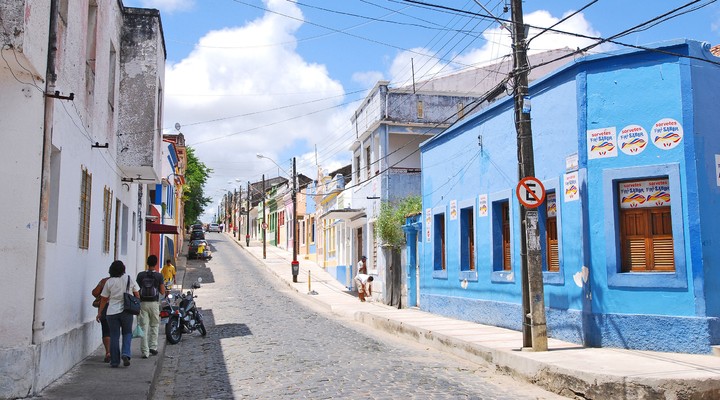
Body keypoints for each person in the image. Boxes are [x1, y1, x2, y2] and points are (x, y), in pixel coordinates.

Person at [96, 260, 139, 368]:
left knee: (114, 336)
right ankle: (125, 354)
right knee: (127, 333)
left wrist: (100, 313)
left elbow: (104, 299)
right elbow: (137, 294)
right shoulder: (129, 278)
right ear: (123, 269)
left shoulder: (109, 282)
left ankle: (115, 361)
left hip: (112, 312)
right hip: (127, 311)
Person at [136, 255, 165, 359]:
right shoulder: (159, 276)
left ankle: (145, 351)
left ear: (147, 263)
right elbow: (162, 291)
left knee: (143, 327)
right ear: (156, 263)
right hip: (154, 303)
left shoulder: (140, 275)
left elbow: (139, 287)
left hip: (143, 303)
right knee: (154, 325)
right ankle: (153, 346)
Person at [91, 276, 111, 363]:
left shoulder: (104, 281)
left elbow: (95, 293)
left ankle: (108, 352)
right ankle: (114, 351)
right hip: (118, 308)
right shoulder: (124, 280)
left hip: (105, 307)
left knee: (106, 330)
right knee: (115, 331)